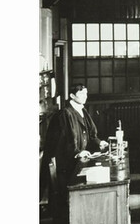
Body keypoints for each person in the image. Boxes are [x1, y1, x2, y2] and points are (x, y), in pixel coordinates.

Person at [46, 84, 109, 213]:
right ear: (72, 96)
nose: (85, 97)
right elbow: (67, 140)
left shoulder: (82, 110)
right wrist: (77, 153)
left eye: (86, 94)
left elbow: (91, 133)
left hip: (80, 158)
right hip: (68, 163)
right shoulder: (66, 113)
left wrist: (99, 142)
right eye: (81, 94)